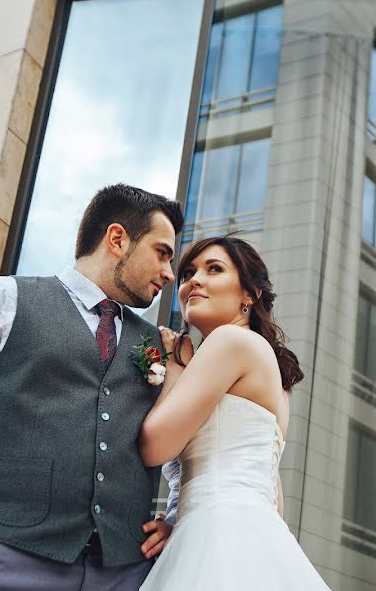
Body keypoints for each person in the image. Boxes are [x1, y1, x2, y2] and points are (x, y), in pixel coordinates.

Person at [0, 184, 184, 591]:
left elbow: (181, 451)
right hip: (4, 560)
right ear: (117, 239)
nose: (169, 273)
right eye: (162, 252)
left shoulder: (156, 344)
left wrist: (174, 519)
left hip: (125, 574)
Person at [138, 236, 331, 590]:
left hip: (218, 534)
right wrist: (180, 521)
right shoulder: (263, 364)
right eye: (189, 273)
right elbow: (273, 502)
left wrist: (176, 364)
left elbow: (154, 446)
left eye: (214, 269)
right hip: (244, 535)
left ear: (250, 294)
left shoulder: (230, 342)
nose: (195, 279)